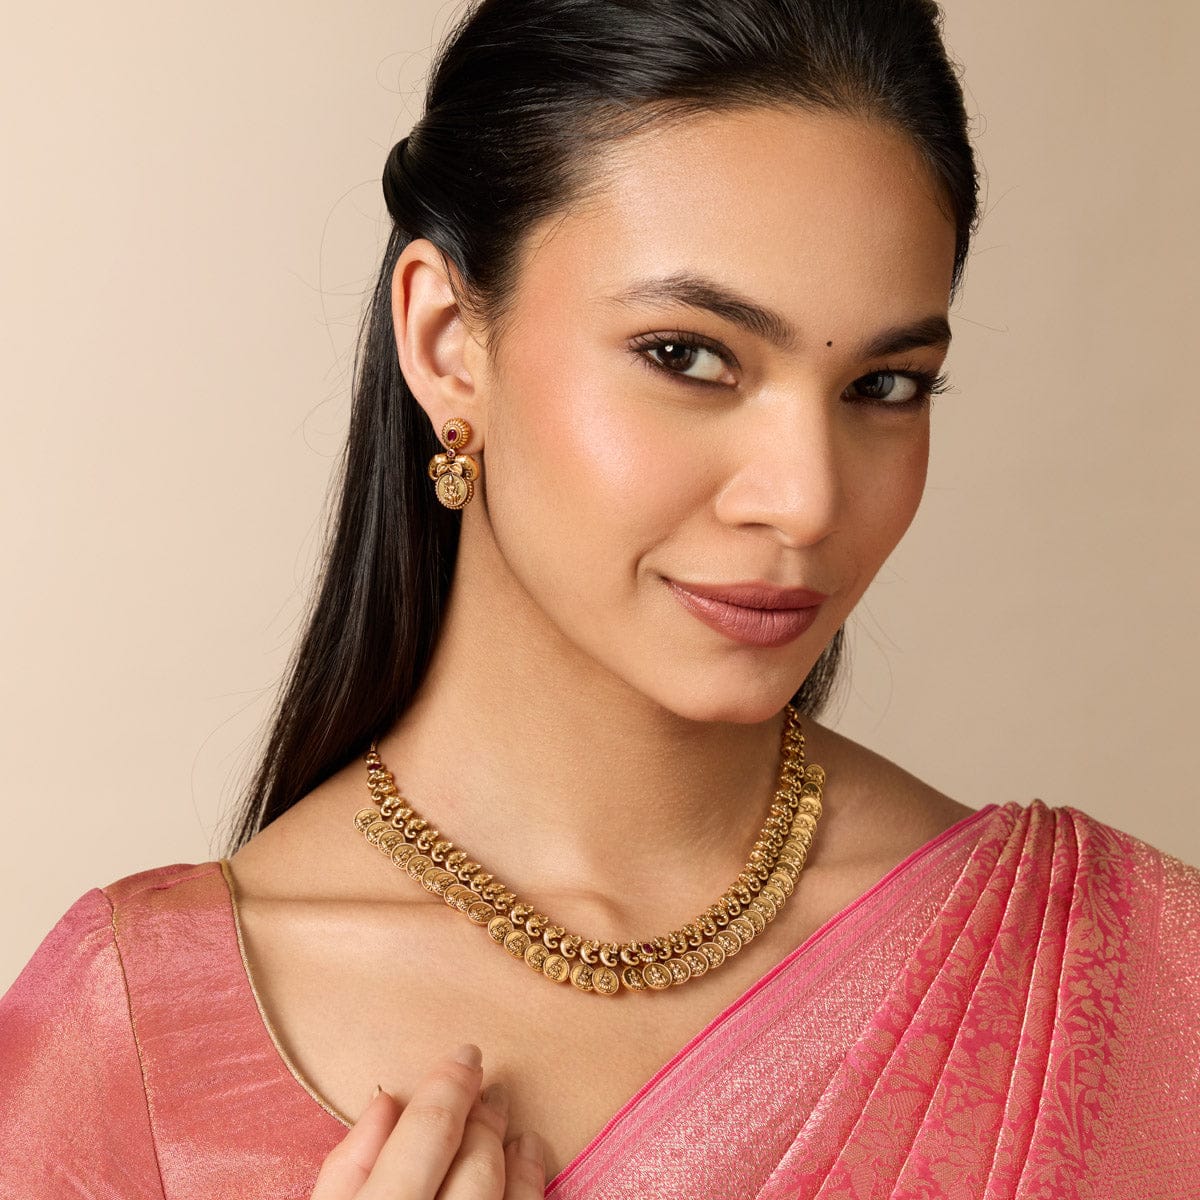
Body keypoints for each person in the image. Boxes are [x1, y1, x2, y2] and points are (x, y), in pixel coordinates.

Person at [3, 0, 1198, 1196]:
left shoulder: (1131, 976)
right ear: (446, 342)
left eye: (886, 385)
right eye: (688, 356)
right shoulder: (134, 1052)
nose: (807, 502)